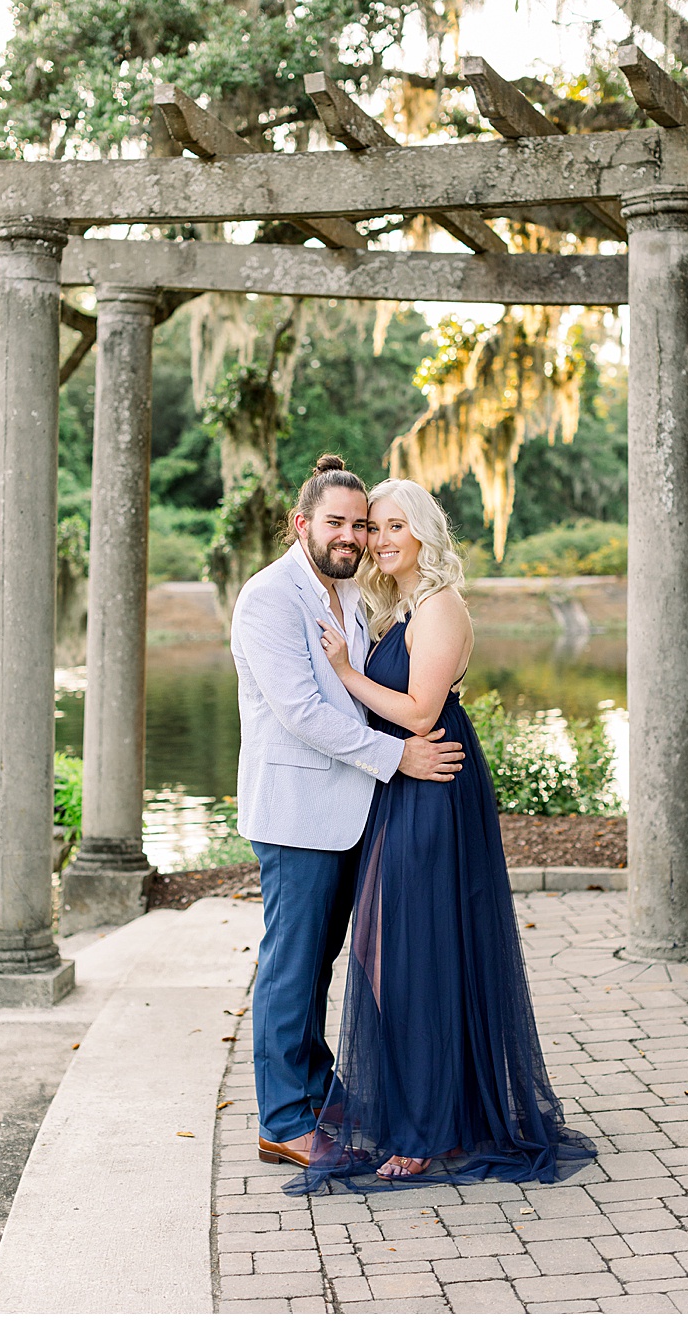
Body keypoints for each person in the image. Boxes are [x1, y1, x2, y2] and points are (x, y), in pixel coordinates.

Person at [292, 478, 596, 1190]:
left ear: (424, 534)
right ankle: (432, 1111)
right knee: (393, 948)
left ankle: (427, 1134)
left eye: (396, 526)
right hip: (403, 783)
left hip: (431, 781)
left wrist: (342, 670)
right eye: (375, 528)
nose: (382, 539)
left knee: (414, 953)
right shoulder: (400, 608)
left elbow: (421, 712)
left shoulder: (437, 606)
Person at [229, 455, 465, 1172]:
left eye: (361, 524)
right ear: (302, 524)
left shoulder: (351, 597)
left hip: (354, 814)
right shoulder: (269, 598)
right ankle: (285, 1121)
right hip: (298, 814)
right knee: (290, 968)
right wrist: (398, 759)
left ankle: (319, 1092)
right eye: (337, 522)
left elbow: (377, 684)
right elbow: (301, 712)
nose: (353, 536)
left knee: (325, 963)